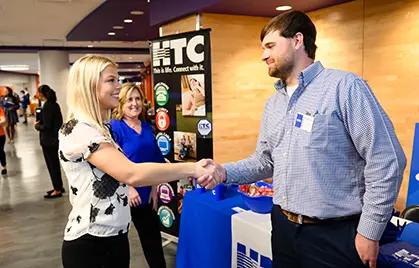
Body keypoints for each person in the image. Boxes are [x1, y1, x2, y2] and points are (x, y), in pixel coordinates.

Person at [197, 10, 407, 268]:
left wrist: (369, 231)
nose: (263, 55)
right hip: (283, 228)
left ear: (298, 41)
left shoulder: (344, 87)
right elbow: (264, 162)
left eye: (270, 46)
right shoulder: (274, 104)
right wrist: (221, 171)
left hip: (334, 235)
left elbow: (387, 160)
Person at [59, 54, 214, 268]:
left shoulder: (101, 129)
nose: (118, 87)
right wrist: (193, 168)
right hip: (91, 241)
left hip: (115, 235)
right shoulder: (78, 130)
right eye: (111, 80)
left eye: (118, 79)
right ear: (89, 85)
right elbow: (130, 173)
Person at [110, 82, 167, 268]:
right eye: (129, 100)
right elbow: (112, 163)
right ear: (121, 103)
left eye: (137, 99)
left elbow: (155, 160)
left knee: (152, 242)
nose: (134, 103)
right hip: (124, 195)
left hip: (145, 194)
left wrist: (153, 187)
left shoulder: (146, 126)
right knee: (119, 248)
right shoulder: (114, 127)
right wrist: (128, 187)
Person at [35, 85, 64, 198]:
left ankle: (57, 189)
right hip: (55, 139)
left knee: (52, 165)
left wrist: (37, 126)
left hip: (48, 141)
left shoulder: (47, 106)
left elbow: (46, 126)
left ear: (42, 94)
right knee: (55, 164)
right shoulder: (55, 105)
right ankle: (59, 186)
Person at [0, 105, 7, 175]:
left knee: (0, 151)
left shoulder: (0, 110)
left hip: (0, 135)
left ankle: (3, 166)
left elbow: (3, 120)